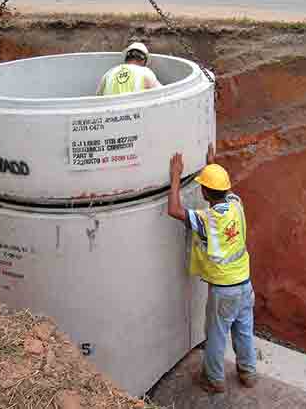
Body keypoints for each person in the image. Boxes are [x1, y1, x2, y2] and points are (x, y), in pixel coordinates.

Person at [167, 144, 257, 394]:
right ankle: (248, 373)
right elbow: (221, 189)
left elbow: (174, 210)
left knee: (216, 335)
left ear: (205, 193)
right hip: (245, 283)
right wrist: (213, 165)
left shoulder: (208, 220)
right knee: (244, 329)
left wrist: (175, 178)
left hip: (224, 290)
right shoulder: (236, 204)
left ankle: (215, 380)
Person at [96, 42, 161, 96]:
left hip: (109, 110)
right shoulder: (145, 72)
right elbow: (162, 93)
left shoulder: (108, 73)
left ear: (126, 58)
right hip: (136, 111)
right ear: (143, 60)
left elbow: (98, 97)